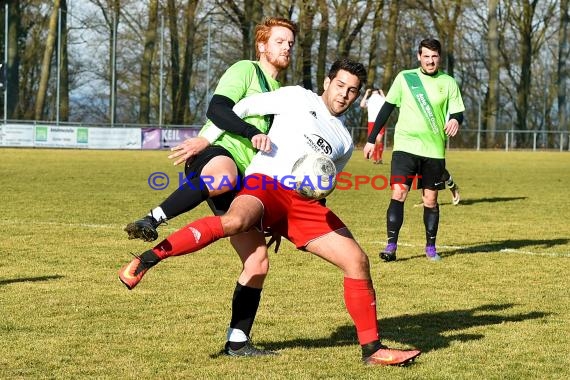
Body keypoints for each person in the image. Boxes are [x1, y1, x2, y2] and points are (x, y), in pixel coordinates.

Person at [118, 58, 422, 366]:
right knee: (236, 221)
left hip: (304, 205)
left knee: (357, 260)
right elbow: (239, 109)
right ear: (328, 83)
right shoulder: (296, 96)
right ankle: (148, 259)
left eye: (352, 91)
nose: (344, 94)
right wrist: (211, 139)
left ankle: (373, 350)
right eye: (340, 85)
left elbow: (323, 186)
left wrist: (287, 223)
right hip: (265, 184)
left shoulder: (344, 140)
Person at [125, 17, 298, 357]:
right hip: (217, 155)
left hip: (247, 178)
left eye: (290, 43)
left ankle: (237, 342)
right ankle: (152, 218)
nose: (286, 47)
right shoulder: (245, 70)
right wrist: (242, 134)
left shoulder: (284, 95)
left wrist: (274, 214)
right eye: (280, 41)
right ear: (262, 45)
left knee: (258, 263)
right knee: (223, 176)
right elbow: (217, 109)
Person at [363, 38, 465, 262]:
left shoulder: (448, 82)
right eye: (426, 56)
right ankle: (391, 246)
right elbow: (387, 107)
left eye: (434, 56)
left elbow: (458, 112)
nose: (430, 61)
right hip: (405, 147)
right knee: (398, 193)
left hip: (434, 150)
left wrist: (456, 120)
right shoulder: (405, 77)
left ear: (440, 58)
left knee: (430, 200)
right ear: (419, 56)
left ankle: (430, 247)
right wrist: (371, 139)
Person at [360, 88, 386, 164]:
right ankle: (377, 159)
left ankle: (378, 159)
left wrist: (366, 94)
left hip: (374, 121)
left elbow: (361, 105)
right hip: (377, 121)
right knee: (377, 140)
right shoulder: (373, 99)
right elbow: (388, 102)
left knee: (375, 141)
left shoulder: (372, 99)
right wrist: (382, 93)